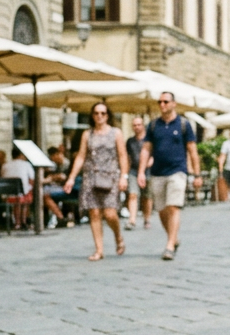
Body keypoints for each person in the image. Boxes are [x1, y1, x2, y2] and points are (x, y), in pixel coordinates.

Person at [138, 92, 202, 260]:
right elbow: (146, 149)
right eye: (160, 102)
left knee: (173, 207)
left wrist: (197, 174)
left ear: (174, 104)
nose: (162, 105)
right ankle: (174, 238)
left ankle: (169, 245)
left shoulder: (183, 124)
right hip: (157, 172)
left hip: (177, 171)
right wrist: (141, 171)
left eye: (165, 101)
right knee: (161, 210)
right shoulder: (153, 125)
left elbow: (192, 151)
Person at [65, 102, 129, 260]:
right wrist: (72, 178)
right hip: (91, 177)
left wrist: (124, 176)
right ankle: (99, 250)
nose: (99, 116)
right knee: (94, 213)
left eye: (103, 113)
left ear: (107, 116)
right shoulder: (87, 134)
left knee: (110, 214)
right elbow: (81, 156)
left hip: (110, 176)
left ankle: (118, 236)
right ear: (92, 116)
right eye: (96, 113)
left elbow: (122, 155)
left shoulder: (116, 133)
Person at [125, 116, 153, 230]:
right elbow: (128, 157)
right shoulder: (130, 141)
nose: (136, 127)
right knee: (133, 194)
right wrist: (125, 173)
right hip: (133, 170)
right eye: (134, 125)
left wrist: (149, 163)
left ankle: (147, 219)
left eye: (139, 125)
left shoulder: (149, 140)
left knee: (146, 197)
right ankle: (132, 220)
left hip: (149, 171)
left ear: (143, 125)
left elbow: (154, 155)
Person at [1, 148, 36, 229]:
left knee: (20, 195)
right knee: (27, 194)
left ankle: (17, 222)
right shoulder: (26, 164)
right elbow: (32, 180)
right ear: (21, 155)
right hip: (22, 195)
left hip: (7, 194)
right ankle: (23, 220)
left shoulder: (5, 165)